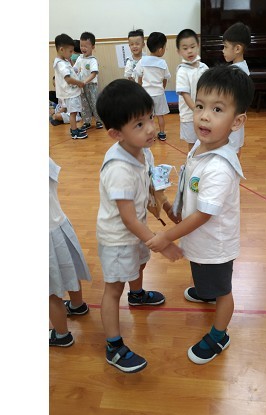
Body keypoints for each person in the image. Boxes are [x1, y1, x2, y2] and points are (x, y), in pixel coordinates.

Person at [146, 66, 255, 365]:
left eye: (217, 109)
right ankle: (206, 292)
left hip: (214, 245)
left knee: (223, 290)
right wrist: (171, 205)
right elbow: (192, 190)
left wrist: (167, 236)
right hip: (199, 238)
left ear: (237, 122)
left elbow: (204, 216)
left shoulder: (220, 167)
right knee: (202, 272)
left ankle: (219, 335)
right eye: (200, 106)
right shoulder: (200, 145)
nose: (204, 116)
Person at [95, 78, 183, 373]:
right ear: (115, 134)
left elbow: (151, 186)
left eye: (150, 118)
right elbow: (128, 218)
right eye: (139, 124)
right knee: (113, 289)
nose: (150, 129)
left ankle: (137, 295)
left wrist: (167, 208)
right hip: (117, 238)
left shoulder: (143, 150)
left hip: (136, 233)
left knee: (140, 264)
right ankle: (113, 345)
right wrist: (162, 242)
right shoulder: (118, 169)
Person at [49, 157, 91, 347]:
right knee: (70, 269)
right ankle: (77, 305)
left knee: (50, 292)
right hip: (60, 225)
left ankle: (61, 335)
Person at [175, 28, 209, 151]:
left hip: (205, 113)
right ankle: (192, 161)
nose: (189, 51)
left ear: (198, 46)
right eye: (185, 48)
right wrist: (196, 110)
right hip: (189, 116)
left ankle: (203, 161)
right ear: (179, 51)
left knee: (204, 139)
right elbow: (185, 94)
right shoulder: (182, 71)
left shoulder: (204, 67)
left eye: (192, 47)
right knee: (192, 143)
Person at [134, 32, 170, 141]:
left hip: (146, 95)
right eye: (165, 47)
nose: (164, 49)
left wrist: (140, 90)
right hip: (159, 94)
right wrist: (162, 88)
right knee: (160, 116)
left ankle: (152, 135)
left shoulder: (142, 61)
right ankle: (162, 133)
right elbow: (165, 79)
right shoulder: (163, 63)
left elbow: (139, 77)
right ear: (160, 49)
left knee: (149, 117)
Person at [222, 22, 251, 157]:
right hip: (237, 120)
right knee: (236, 149)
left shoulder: (236, 73)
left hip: (231, 120)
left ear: (237, 48)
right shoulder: (243, 67)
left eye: (225, 46)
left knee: (230, 152)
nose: (223, 50)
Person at [52, 33, 88, 139]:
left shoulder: (64, 61)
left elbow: (71, 72)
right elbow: (68, 79)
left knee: (74, 111)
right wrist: (79, 83)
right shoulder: (61, 64)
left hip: (71, 92)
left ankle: (74, 128)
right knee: (73, 113)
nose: (72, 54)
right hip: (70, 93)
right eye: (70, 51)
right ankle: (74, 131)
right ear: (62, 49)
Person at [75, 31, 103, 130]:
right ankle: (87, 121)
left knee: (94, 103)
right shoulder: (79, 58)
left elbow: (94, 73)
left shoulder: (92, 60)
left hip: (91, 85)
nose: (83, 48)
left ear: (93, 47)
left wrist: (84, 81)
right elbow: (75, 69)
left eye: (86, 46)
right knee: (84, 104)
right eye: (81, 45)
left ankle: (99, 120)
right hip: (81, 86)